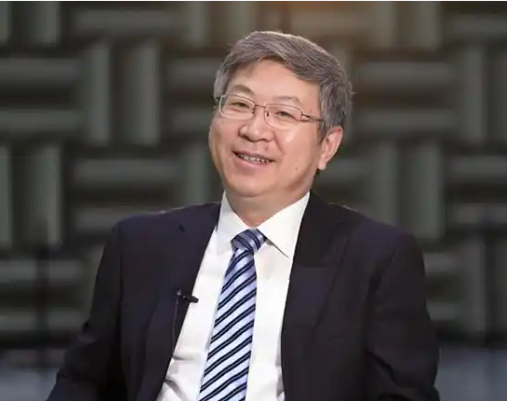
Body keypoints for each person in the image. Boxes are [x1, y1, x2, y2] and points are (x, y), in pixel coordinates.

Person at [47, 31, 440, 401]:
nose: (254, 130)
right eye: (239, 105)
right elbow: (84, 384)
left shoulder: (376, 259)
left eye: (284, 114)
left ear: (327, 146)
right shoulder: (139, 245)